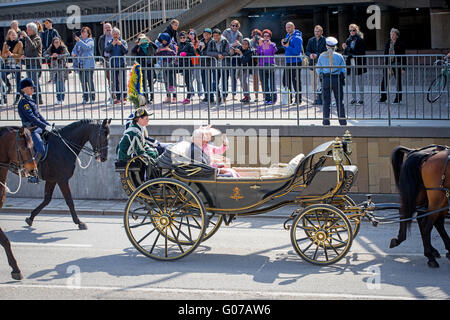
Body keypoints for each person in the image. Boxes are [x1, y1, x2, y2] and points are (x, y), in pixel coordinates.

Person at [17, 78, 54, 183]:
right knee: (41, 150)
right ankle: (32, 174)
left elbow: (39, 116)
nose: (33, 89)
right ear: (24, 89)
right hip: (31, 130)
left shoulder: (30, 100)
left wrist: (48, 125)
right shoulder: (24, 103)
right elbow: (32, 118)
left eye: (33, 87)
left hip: (38, 128)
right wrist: (44, 127)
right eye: (31, 87)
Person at [316, 36, 347, 126]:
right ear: (335, 46)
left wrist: (322, 76)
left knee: (326, 101)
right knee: (339, 101)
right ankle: (342, 121)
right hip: (336, 78)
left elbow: (319, 69)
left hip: (326, 79)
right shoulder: (339, 56)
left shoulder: (322, 56)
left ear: (327, 46)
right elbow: (343, 70)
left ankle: (326, 121)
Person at [379, 28, 406, 104]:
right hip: (388, 64)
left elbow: (403, 56)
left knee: (398, 81)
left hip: (397, 64)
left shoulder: (400, 43)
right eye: (391, 34)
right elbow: (385, 53)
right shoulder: (388, 43)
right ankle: (383, 98)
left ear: (397, 36)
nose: (392, 35)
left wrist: (403, 68)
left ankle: (398, 98)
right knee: (384, 81)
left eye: (393, 34)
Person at [342, 24, 366, 105]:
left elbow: (360, 52)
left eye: (353, 30)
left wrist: (348, 49)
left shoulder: (360, 40)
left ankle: (362, 99)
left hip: (359, 62)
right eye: (350, 30)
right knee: (352, 81)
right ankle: (353, 98)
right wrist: (345, 48)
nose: (352, 32)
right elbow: (346, 53)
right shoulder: (348, 40)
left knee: (360, 81)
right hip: (350, 62)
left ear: (357, 30)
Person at [72, 26, 96, 104]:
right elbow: (74, 50)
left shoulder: (90, 40)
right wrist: (73, 54)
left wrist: (79, 41)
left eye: (84, 31)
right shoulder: (79, 41)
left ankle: (92, 97)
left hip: (88, 64)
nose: (83, 33)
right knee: (83, 82)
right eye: (82, 32)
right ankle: (85, 98)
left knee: (89, 81)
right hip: (81, 64)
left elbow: (87, 48)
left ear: (88, 33)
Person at [206, 29, 230, 105]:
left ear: (220, 35)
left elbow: (228, 52)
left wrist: (222, 55)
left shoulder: (225, 41)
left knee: (224, 82)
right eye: (214, 36)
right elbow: (208, 52)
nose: (215, 37)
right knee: (214, 83)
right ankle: (219, 96)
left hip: (224, 64)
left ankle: (224, 97)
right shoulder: (211, 42)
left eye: (217, 35)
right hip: (215, 65)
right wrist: (217, 55)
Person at [131, 34, 157, 103]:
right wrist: (138, 44)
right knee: (144, 82)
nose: (143, 40)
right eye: (141, 39)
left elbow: (156, 47)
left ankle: (152, 97)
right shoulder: (138, 47)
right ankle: (146, 97)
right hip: (142, 66)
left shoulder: (150, 45)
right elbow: (132, 52)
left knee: (150, 81)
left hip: (149, 65)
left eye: (144, 39)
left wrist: (149, 41)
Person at [105, 27, 128, 104]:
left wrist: (121, 45)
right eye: (114, 34)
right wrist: (112, 45)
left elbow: (126, 51)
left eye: (116, 34)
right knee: (115, 81)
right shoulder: (109, 42)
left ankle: (124, 97)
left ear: (119, 34)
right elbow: (107, 50)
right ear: (112, 35)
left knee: (123, 81)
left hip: (122, 64)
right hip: (113, 65)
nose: (115, 36)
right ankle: (118, 98)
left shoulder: (123, 42)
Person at [282, 22, 303, 104]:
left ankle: (298, 99)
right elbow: (287, 48)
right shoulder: (288, 35)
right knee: (285, 80)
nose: (288, 29)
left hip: (296, 61)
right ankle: (289, 98)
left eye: (289, 27)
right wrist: (284, 45)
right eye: (286, 27)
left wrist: (287, 46)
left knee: (295, 81)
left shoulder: (298, 38)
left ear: (293, 27)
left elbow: (297, 51)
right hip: (288, 61)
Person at [21, 22, 43, 104]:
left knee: (35, 81)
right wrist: (24, 55)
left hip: (35, 63)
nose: (27, 31)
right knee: (31, 82)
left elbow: (33, 46)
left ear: (33, 30)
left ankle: (38, 98)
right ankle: (34, 98)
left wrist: (26, 37)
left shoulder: (37, 38)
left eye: (28, 30)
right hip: (28, 63)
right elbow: (27, 50)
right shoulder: (28, 38)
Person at [43, 36, 69, 104]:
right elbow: (44, 54)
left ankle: (62, 98)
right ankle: (58, 98)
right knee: (57, 84)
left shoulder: (63, 47)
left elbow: (67, 54)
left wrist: (58, 55)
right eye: (55, 42)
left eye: (58, 42)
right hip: (54, 68)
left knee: (62, 84)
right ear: (53, 43)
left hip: (62, 67)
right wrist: (51, 56)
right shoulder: (51, 48)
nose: (57, 44)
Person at [305, 25, 327, 105]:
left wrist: (317, 55)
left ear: (321, 32)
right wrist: (310, 55)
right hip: (312, 63)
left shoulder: (325, 40)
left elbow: (326, 51)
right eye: (315, 31)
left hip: (321, 64)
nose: (316, 33)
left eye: (318, 31)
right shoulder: (311, 40)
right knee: (313, 82)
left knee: (322, 82)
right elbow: (307, 51)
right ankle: (315, 99)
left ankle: (323, 99)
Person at [2, 29, 23, 105]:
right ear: (9, 36)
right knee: (2, 75)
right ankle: (9, 85)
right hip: (8, 64)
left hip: (16, 64)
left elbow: (20, 54)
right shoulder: (6, 44)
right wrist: (6, 55)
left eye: (14, 35)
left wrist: (12, 55)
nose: (13, 36)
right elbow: (3, 55)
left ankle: (17, 97)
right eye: (12, 35)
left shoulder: (19, 43)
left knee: (18, 81)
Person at [222, 20, 243, 99]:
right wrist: (232, 45)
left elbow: (242, 46)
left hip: (234, 56)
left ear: (238, 26)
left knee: (234, 75)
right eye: (233, 25)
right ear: (230, 26)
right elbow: (222, 43)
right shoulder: (226, 32)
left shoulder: (240, 35)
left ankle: (234, 94)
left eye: (236, 26)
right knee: (225, 75)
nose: (234, 27)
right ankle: (225, 94)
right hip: (226, 56)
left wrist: (238, 45)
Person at [257, 29, 277, 105]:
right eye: (264, 36)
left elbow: (274, 51)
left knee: (272, 83)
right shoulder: (261, 44)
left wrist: (269, 44)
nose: (266, 37)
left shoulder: (272, 44)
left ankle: (273, 99)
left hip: (270, 65)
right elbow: (258, 53)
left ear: (270, 37)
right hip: (262, 66)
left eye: (267, 36)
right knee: (264, 83)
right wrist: (259, 45)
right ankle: (267, 98)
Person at [156, 32, 177, 103]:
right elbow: (157, 54)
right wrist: (159, 51)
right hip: (164, 64)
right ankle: (168, 96)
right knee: (165, 80)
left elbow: (175, 54)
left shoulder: (172, 45)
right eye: (162, 40)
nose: (163, 41)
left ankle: (174, 96)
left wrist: (169, 50)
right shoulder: (161, 46)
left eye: (164, 39)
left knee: (173, 80)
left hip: (171, 64)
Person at [177, 31, 196, 104]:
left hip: (188, 64)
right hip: (182, 64)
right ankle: (189, 96)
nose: (182, 39)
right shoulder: (179, 44)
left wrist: (186, 54)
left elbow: (194, 54)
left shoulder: (189, 44)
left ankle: (188, 97)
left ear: (186, 37)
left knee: (188, 81)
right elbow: (179, 53)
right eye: (181, 38)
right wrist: (179, 55)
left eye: (184, 37)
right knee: (186, 81)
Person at [98, 22, 113, 98]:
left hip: (114, 59)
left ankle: (117, 94)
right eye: (106, 28)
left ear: (111, 28)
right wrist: (103, 58)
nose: (108, 29)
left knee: (115, 77)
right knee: (109, 77)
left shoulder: (115, 36)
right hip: (106, 59)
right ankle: (111, 94)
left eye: (109, 27)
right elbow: (100, 48)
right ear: (104, 29)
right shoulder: (102, 38)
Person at [235, 38, 253, 103]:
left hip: (246, 68)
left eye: (246, 44)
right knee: (242, 83)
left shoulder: (250, 51)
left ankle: (247, 97)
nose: (244, 45)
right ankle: (246, 96)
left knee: (244, 81)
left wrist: (240, 54)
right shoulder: (239, 48)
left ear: (248, 45)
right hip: (240, 68)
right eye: (243, 44)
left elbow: (245, 61)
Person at [198, 28, 214, 103]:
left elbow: (210, 52)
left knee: (209, 81)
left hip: (210, 64)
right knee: (204, 80)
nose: (206, 35)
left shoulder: (212, 42)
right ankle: (206, 96)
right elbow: (198, 51)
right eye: (204, 33)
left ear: (210, 35)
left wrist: (204, 49)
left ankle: (211, 97)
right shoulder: (201, 41)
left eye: (207, 34)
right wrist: (200, 48)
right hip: (202, 64)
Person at [188, 29, 204, 99]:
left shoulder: (198, 42)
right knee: (190, 79)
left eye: (193, 33)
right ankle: (192, 93)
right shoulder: (187, 43)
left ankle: (200, 93)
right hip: (190, 63)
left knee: (198, 79)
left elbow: (200, 52)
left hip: (197, 62)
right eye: (190, 33)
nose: (192, 35)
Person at [249, 29, 262, 102]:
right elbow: (250, 49)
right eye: (254, 34)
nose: (256, 36)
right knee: (255, 80)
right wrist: (253, 41)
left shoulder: (262, 41)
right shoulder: (250, 41)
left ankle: (264, 96)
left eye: (258, 34)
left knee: (262, 80)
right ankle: (256, 97)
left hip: (261, 62)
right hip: (254, 62)